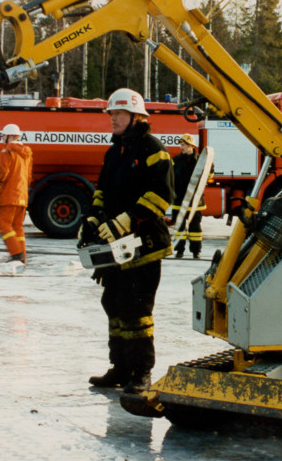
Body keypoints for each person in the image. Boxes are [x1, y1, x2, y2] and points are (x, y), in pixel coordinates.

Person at [83, 88, 174, 394]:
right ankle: (120, 367)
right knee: (114, 304)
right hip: (115, 248)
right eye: (111, 114)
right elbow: (102, 191)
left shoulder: (152, 149)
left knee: (137, 310)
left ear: (136, 117)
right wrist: (93, 220)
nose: (113, 119)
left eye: (118, 114)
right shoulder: (114, 152)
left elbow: (161, 196)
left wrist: (125, 220)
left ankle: (142, 371)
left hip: (144, 245)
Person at [0, 123, 33, 264]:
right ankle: (21, 255)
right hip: (22, 196)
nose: (2, 138)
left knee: (4, 225)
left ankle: (16, 254)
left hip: (9, 196)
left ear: (10, 136)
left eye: (3, 136)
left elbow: (2, 175)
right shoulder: (27, 154)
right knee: (17, 227)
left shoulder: (7, 152)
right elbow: (28, 177)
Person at [170, 133, 208, 259]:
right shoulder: (175, 160)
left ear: (191, 146)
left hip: (194, 201)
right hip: (179, 200)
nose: (181, 147)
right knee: (179, 228)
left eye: (184, 145)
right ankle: (179, 251)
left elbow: (209, 173)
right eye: (181, 145)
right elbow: (170, 176)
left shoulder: (200, 161)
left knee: (195, 229)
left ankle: (196, 252)